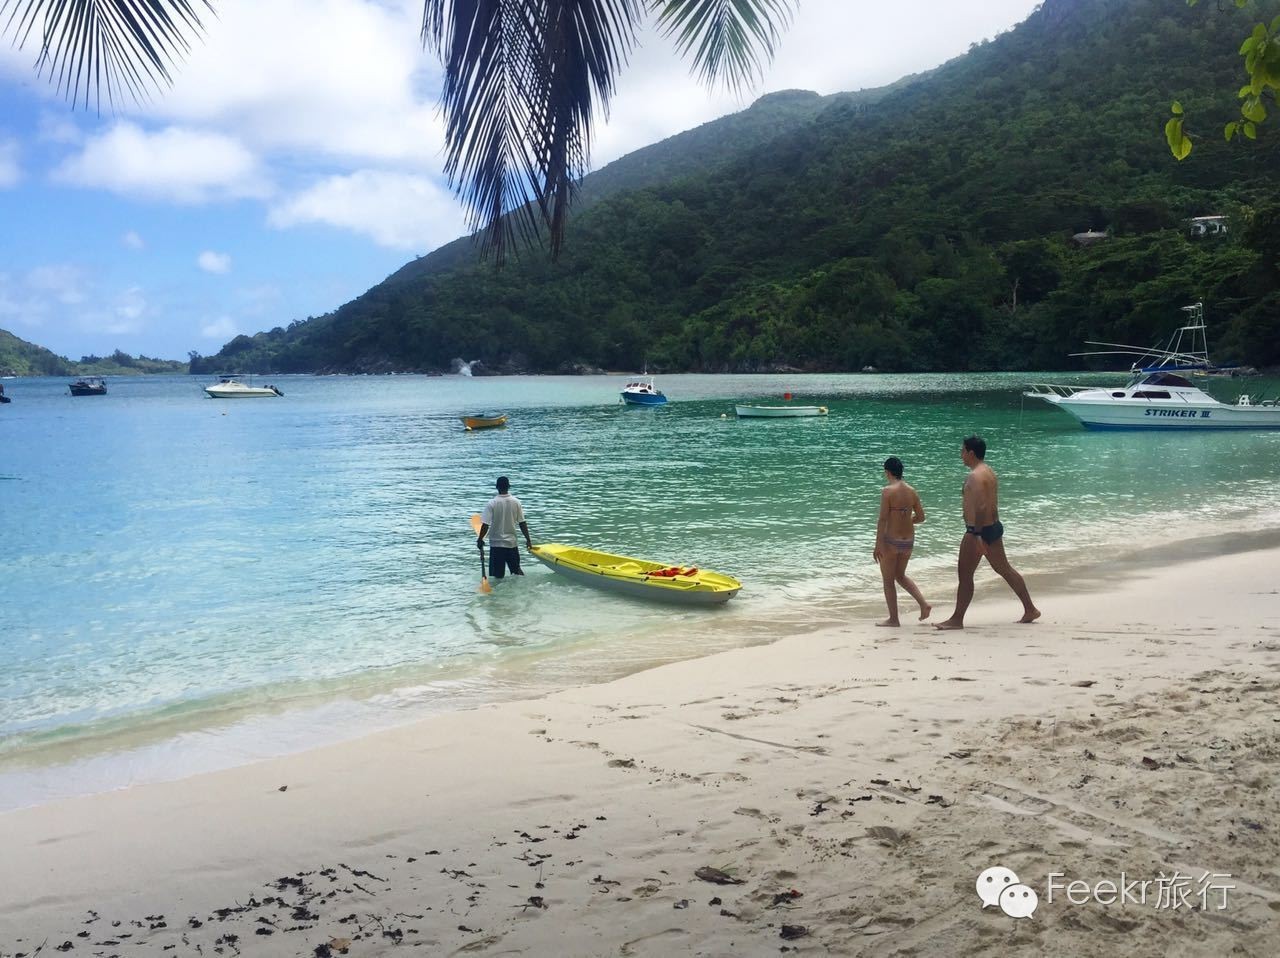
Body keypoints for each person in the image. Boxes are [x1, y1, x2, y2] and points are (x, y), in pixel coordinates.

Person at [935, 436, 1041, 629]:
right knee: (1004, 569)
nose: (961, 455)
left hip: (978, 531)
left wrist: (975, 535)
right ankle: (1030, 608)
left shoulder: (975, 476)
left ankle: (957, 619)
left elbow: (981, 506)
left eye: (962, 451)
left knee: (965, 575)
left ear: (971, 453)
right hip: (993, 527)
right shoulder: (988, 471)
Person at [873, 456, 931, 626]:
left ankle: (894, 619)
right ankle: (924, 604)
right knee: (900, 575)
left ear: (887, 472)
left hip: (891, 542)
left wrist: (878, 544)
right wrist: (906, 520)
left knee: (888, 581)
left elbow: (883, 519)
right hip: (908, 542)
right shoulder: (912, 491)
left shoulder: (888, 491)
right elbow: (921, 517)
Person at [476, 476, 534, 579]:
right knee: (517, 572)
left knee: (498, 577)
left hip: (496, 545)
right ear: (509, 486)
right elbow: (522, 523)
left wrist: (480, 539)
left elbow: (485, 525)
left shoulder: (492, 503)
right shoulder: (516, 502)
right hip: (512, 544)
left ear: (497, 487)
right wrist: (528, 540)